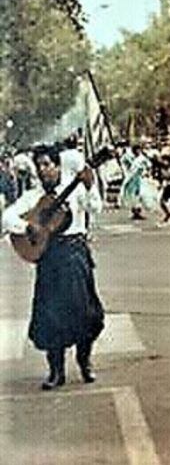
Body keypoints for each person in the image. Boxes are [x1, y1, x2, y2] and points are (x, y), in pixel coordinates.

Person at [2, 145, 104, 390]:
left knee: (85, 314)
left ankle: (84, 361)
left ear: (58, 166)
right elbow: (7, 217)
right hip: (50, 259)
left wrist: (90, 187)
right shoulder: (34, 196)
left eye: (48, 164)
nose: (43, 170)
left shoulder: (76, 189)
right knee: (51, 317)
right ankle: (56, 371)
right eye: (40, 165)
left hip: (75, 255)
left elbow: (95, 208)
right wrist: (28, 228)